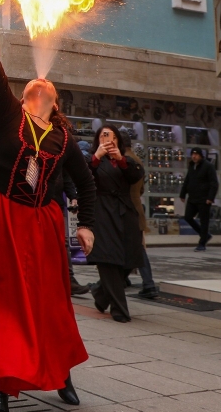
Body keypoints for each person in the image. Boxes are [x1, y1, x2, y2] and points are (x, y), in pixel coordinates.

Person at [0, 0, 95, 409]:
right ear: (24, 97)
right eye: (32, 86)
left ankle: (62, 375)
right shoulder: (9, 115)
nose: (41, 83)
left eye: (48, 87)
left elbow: (86, 182)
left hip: (43, 223)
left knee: (50, 302)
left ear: (55, 102)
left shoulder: (64, 138)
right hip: (2, 214)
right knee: (3, 301)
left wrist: (86, 224)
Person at [87, 125, 144, 322]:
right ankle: (119, 310)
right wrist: (96, 157)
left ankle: (100, 293)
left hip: (125, 212)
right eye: (103, 136)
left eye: (111, 137)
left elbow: (136, 176)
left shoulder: (126, 160)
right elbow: (83, 176)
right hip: (102, 212)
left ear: (118, 140)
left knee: (132, 257)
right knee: (108, 260)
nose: (107, 140)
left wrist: (120, 159)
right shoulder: (91, 160)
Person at [125, 147, 158, 300]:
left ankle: (149, 284)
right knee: (132, 247)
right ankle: (123, 279)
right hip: (136, 206)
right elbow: (142, 189)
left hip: (126, 209)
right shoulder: (137, 160)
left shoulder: (124, 161)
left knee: (136, 248)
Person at [180, 147, 219, 252]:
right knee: (188, 217)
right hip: (192, 198)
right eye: (192, 154)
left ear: (201, 155)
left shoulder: (208, 166)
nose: (194, 156)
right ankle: (205, 235)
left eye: (196, 154)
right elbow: (187, 180)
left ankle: (202, 243)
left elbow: (214, 183)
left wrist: (210, 197)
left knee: (204, 221)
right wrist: (182, 194)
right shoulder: (191, 166)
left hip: (204, 199)